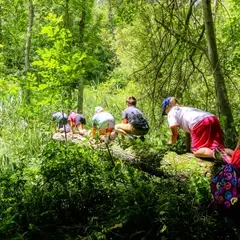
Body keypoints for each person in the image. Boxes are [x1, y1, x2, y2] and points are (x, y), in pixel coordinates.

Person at [161, 96, 233, 160]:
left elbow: (174, 134)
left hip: (200, 123)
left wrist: (169, 145)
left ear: (168, 106)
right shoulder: (184, 109)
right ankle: (236, 157)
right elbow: (188, 134)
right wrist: (188, 150)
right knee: (219, 147)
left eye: (165, 111)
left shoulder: (171, 112)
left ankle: (216, 154)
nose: (166, 113)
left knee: (197, 151)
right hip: (212, 119)